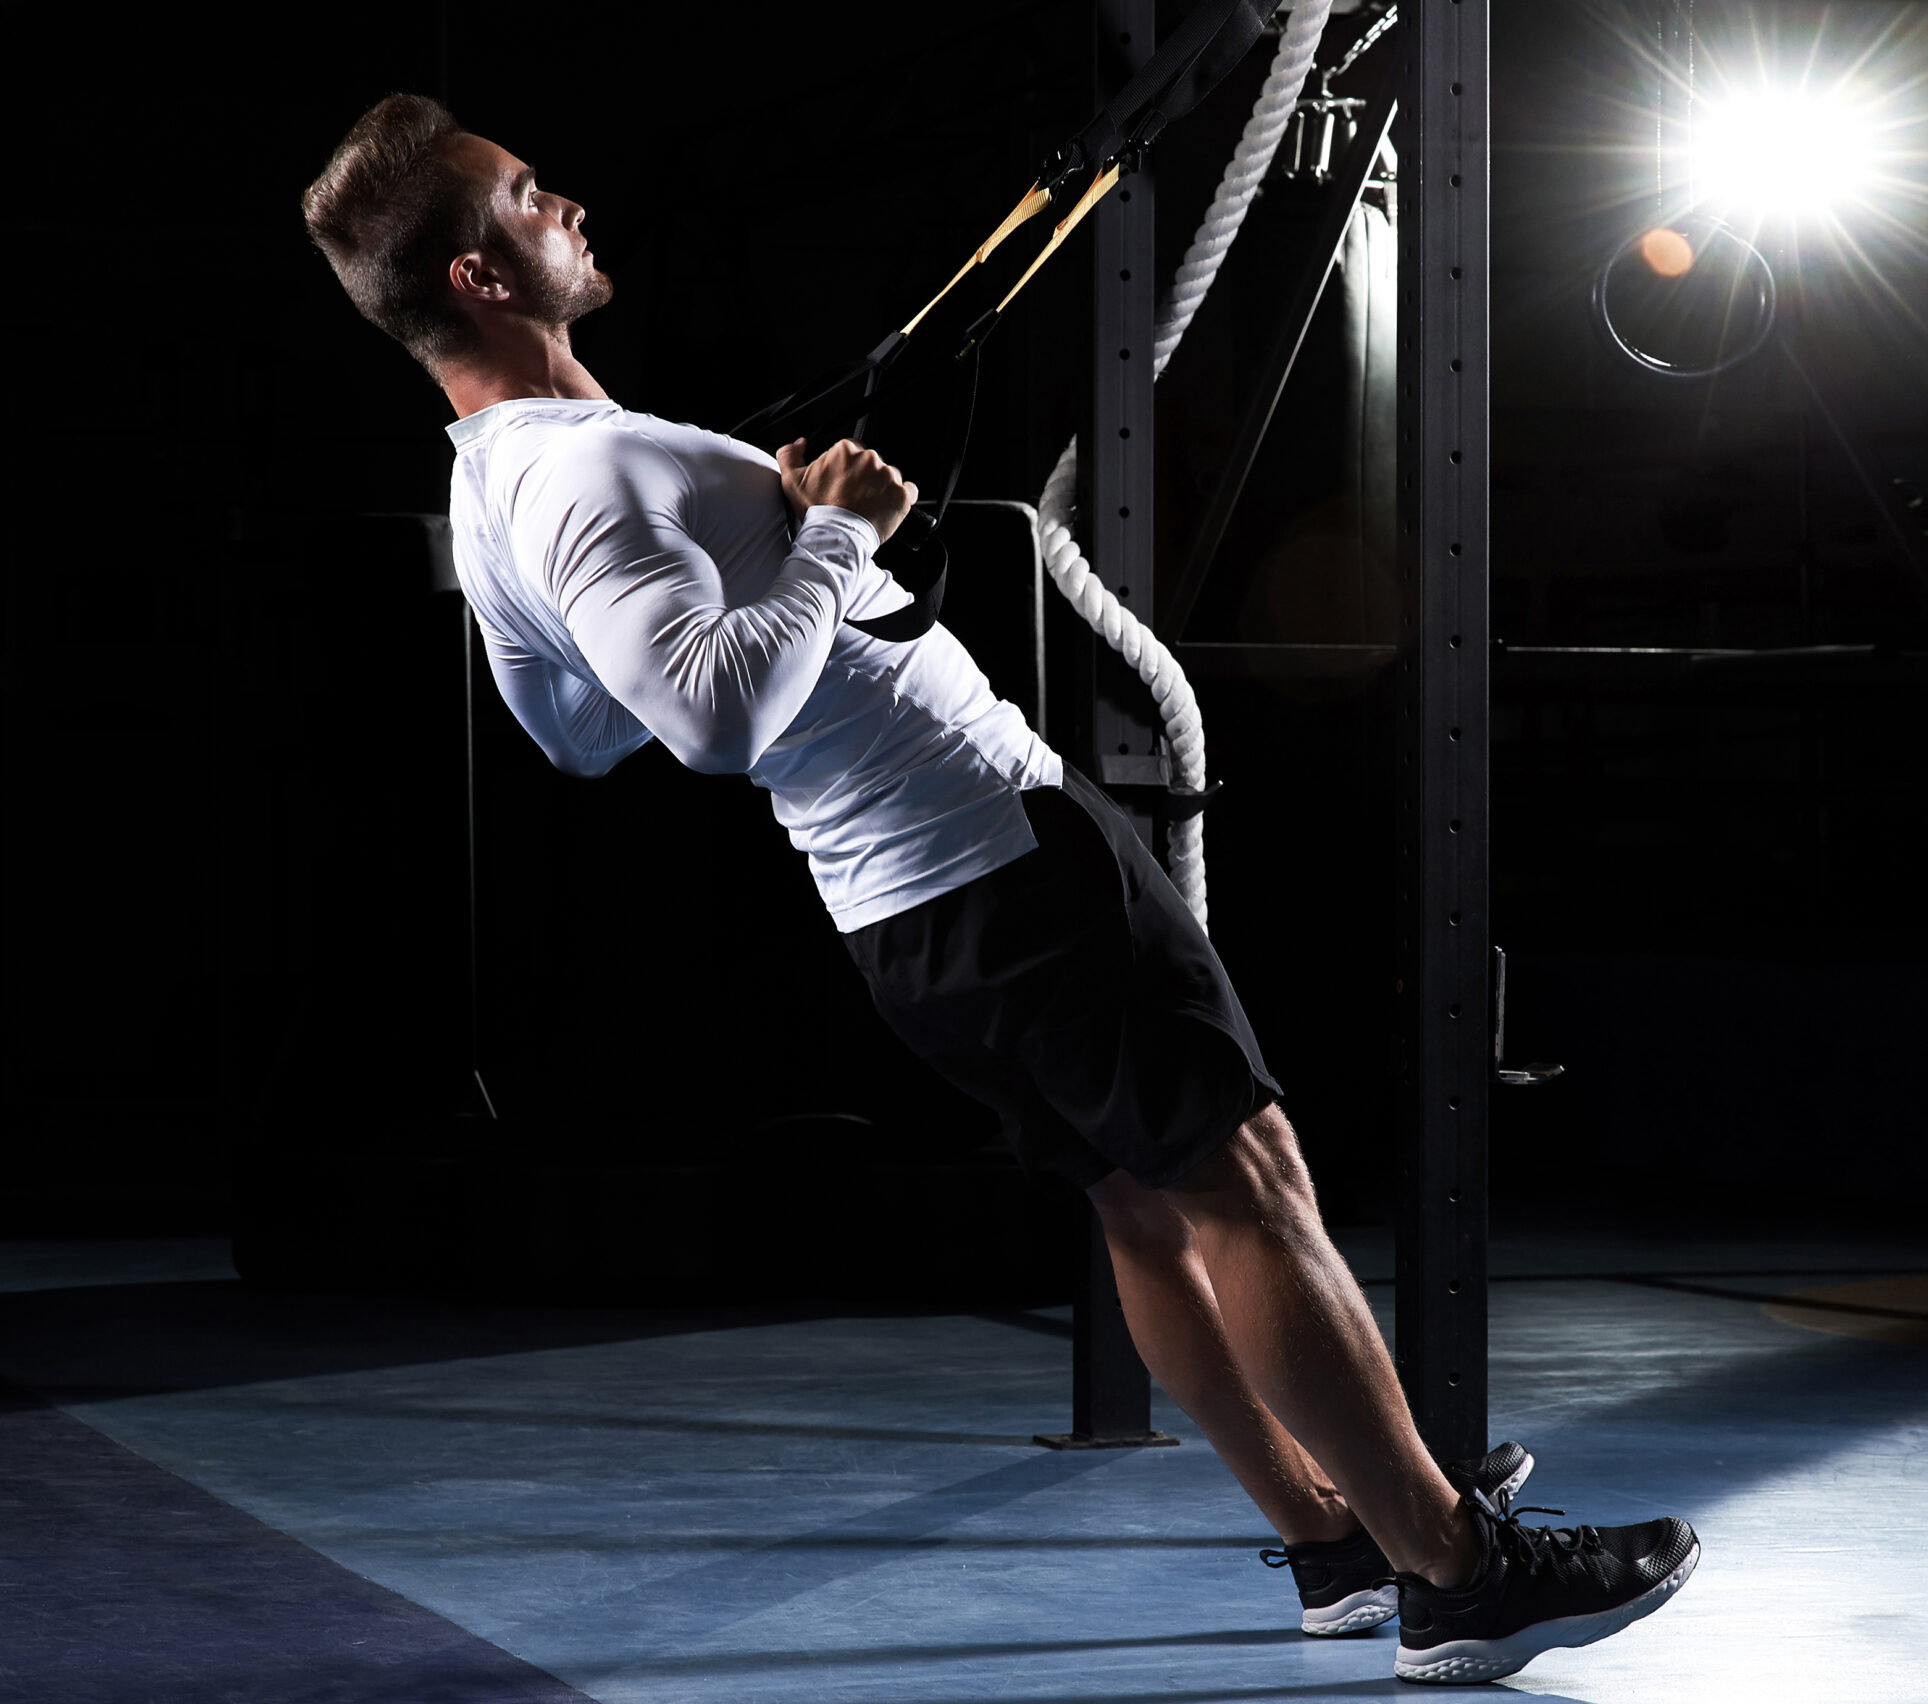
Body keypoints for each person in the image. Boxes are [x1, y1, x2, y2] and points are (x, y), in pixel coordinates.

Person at [301, 92, 1697, 1685]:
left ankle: (1335, 1538)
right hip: (993, 857)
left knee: (1146, 1208)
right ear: (481, 277)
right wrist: (835, 538)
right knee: (1249, 1182)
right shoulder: (586, 468)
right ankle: (1457, 1573)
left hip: (912, 909)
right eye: (529, 195)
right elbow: (706, 718)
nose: (568, 204)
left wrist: (774, 556)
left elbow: (574, 733)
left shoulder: (497, 488)